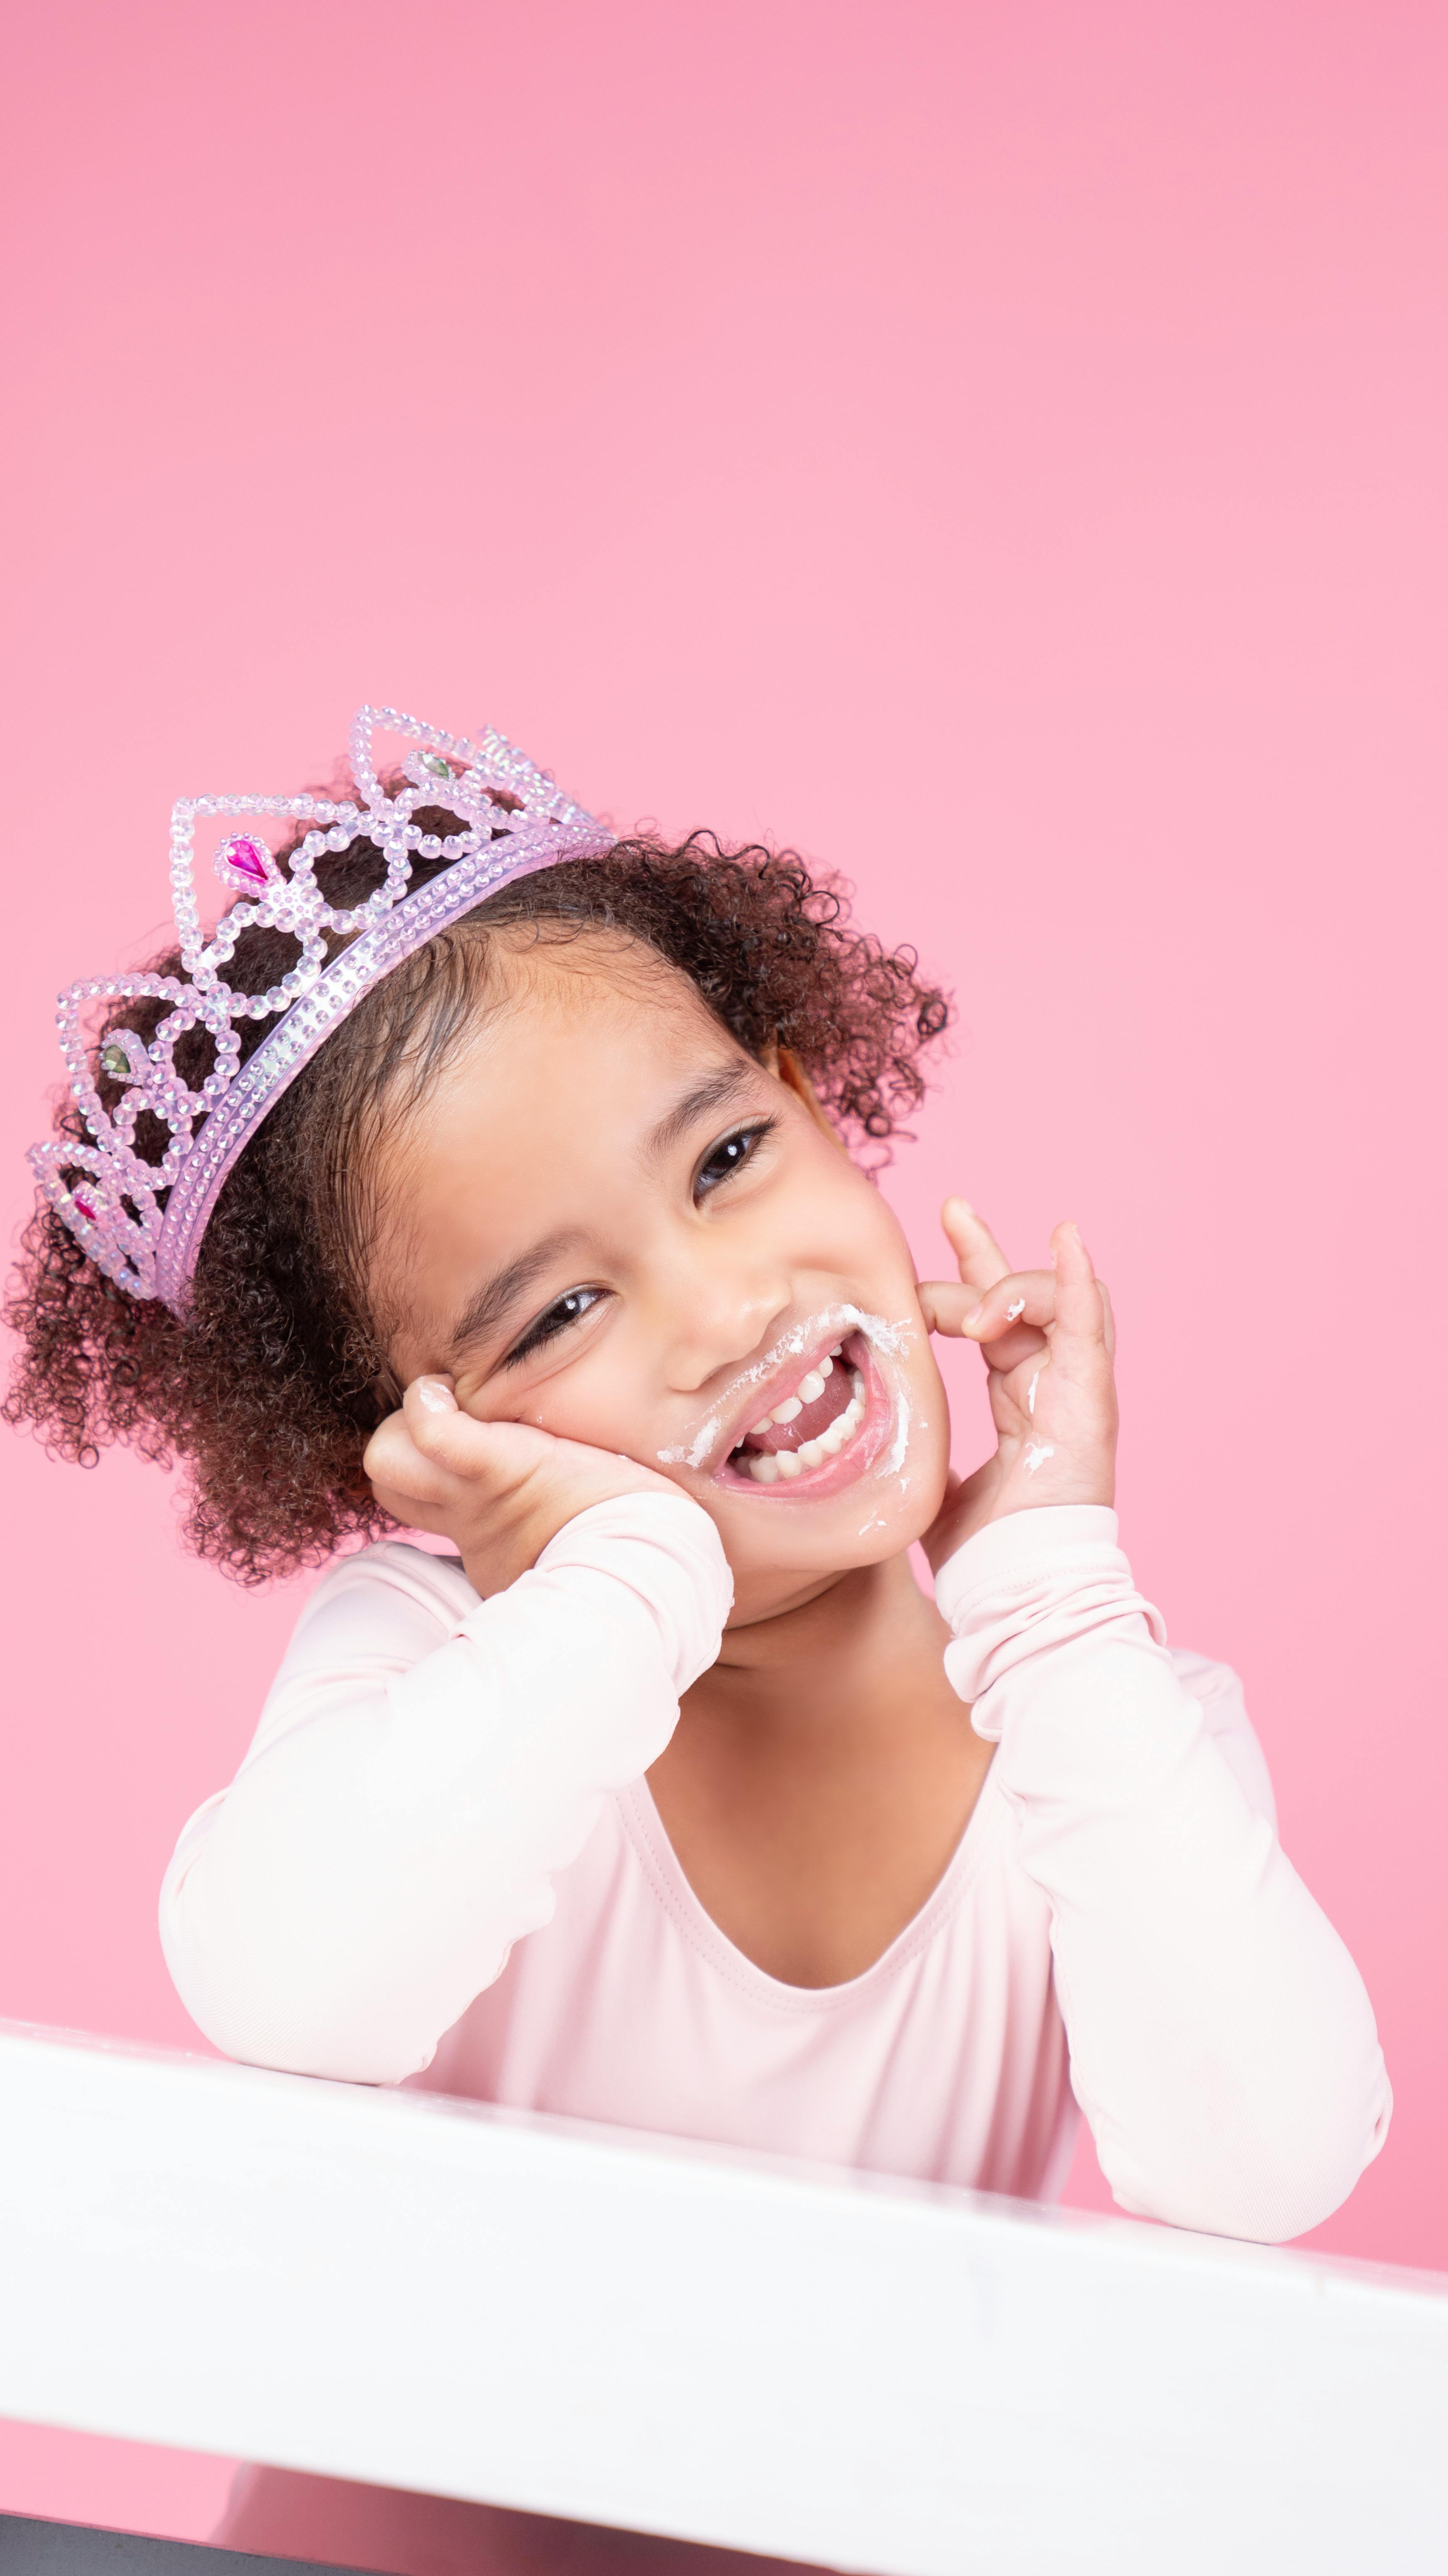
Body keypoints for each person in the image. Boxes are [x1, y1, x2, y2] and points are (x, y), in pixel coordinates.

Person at [7, 708, 1390, 2576]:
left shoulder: (1092, 1719)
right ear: (428, 1443)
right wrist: (619, 1574)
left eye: (729, 1156)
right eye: (560, 1309)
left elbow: (1266, 2159)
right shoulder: (441, 1659)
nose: (722, 1304)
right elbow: (289, 1985)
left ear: (821, 1092)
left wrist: (1053, 1586)